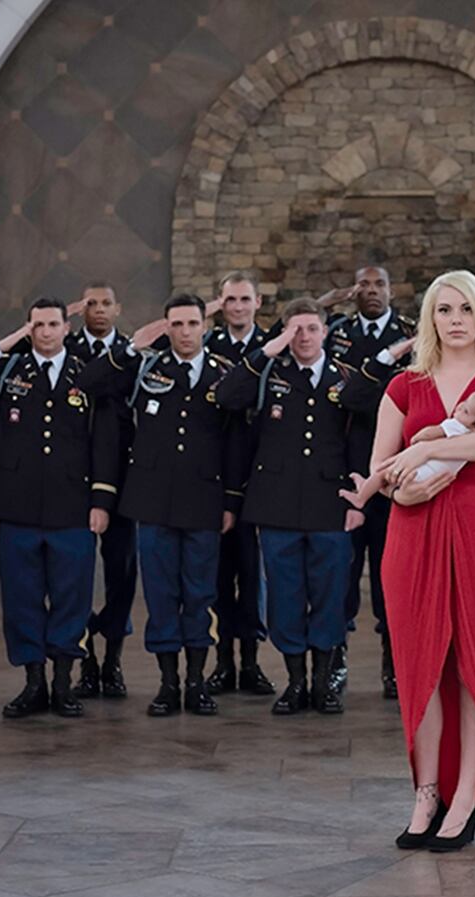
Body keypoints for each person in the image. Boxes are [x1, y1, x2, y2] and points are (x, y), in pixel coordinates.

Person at [367, 269, 475, 853]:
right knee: (423, 667)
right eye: (443, 309)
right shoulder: (403, 387)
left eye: (464, 308)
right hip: (411, 531)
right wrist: (397, 488)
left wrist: (432, 446)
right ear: (429, 319)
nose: (454, 319)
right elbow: (382, 466)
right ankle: (426, 792)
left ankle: (467, 798)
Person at [81, 293, 249, 717]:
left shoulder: (222, 374)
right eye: (176, 324)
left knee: (199, 593)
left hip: (204, 501)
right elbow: (89, 383)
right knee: (160, 594)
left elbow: (235, 443)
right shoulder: (145, 367)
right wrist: (131, 346)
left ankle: (196, 682)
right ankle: (167, 683)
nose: (185, 332)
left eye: (192, 324)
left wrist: (230, 499)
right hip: (152, 501)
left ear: (204, 327)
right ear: (166, 327)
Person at [0, 298, 117, 718]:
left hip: (73, 506)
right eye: (37, 325)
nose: (45, 332)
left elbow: (105, 440)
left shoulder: (88, 374)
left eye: (52, 324)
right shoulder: (9, 370)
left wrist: (101, 500)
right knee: (22, 596)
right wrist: (4, 345)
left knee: (71, 596)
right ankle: (33, 682)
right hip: (19, 506)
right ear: (28, 329)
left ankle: (63, 683)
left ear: (67, 328)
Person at [218, 297, 365, 715]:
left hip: (331, 504)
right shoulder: (267, 374)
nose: (304, 337)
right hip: (277, 505)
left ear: (325, 333)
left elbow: (359, 441)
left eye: (312, 329)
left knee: (329, 594)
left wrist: (359, 501)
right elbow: (226, 396)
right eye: (295, 330)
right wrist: (266, 351)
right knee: (285, 595)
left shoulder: (345, 378)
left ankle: (322, 685)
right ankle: (295, 683)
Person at [324, 265, 416, 698]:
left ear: (391, 290)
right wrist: (328, 303)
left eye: (380, 283)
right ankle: (335, 660)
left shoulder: (413, 335)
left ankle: (393, 663)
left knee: (391, 577)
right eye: (363, 284)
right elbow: (344, 396)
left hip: (397, 475)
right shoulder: (334, 332)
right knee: (340, 576)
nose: (372, 291)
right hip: (348, 471)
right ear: (352, 290)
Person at [203, 271, 275, 696]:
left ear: (257, 302)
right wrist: (205, 310)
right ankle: (222, 661)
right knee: (217, 574)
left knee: (252, 575)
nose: (237, 307)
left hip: (258, 472)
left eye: (244, 299)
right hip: (214, 474)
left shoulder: (272, 348)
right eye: (229, 300)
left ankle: (250, 661)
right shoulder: (207, 344)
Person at [65, 280, 137, 700]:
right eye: (90, 303)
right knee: (75, 575)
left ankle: (112, 658)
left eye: (106, 303)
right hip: (73, 480)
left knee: (121, 575)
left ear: (118, 307)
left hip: (123, 480)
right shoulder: (66, 351)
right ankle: (85, 658)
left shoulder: (134, 352)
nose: (98, 310)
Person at [341, 391, 475, 507]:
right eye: (464, 402)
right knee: (384, 475)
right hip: (431, 477)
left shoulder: (457, 427)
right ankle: (366, 488)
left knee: (383, 471)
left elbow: (431, 433)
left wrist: (417, 438)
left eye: (466, 411)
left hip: (420, 472)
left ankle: (361, 497)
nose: (459, 407)